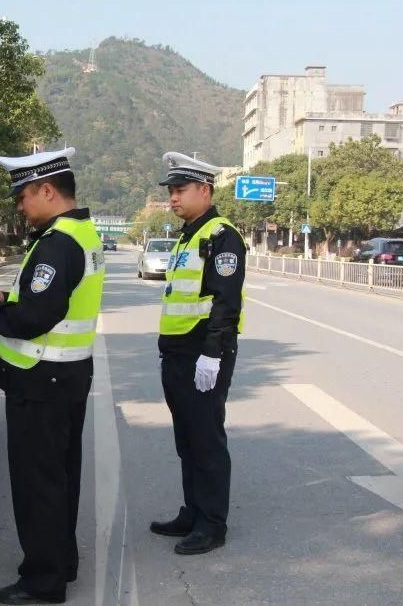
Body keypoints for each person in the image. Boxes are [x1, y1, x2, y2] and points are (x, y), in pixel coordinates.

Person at [0, 147, 105, 605]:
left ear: (48, 190)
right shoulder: (81, 233)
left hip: (40, 378)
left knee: (38, 484)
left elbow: (34, 319)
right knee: (60, 477)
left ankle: (42, 581)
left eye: (24, 195)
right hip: (66, 377)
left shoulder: (56, 244)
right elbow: (51, 297)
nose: (20, 205)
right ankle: (61, 560)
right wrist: (10, 295)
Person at [151, 151, 246, 555]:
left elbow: (225, 302)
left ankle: (212, 524)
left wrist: (212, 354)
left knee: (206, 438)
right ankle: (192, 511)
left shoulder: (222, 236)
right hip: (177, 352)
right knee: (187, 438)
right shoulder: (189, 235)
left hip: (202, 353)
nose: (173, 198)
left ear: (204, 190)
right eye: (171, 191)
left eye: (180, 190)